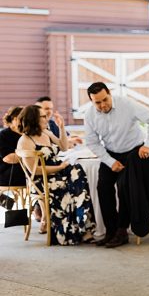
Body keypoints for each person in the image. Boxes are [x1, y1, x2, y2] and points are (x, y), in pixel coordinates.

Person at [84, 81, 149, 247]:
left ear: (110, 94)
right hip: (110, 153)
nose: (103, 104)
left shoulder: (126, 104)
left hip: (133, 151)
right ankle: (110, 231)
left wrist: (148, 144)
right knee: (103, 188)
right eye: (97, 102)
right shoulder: (89, 115)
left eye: (105, 99)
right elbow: (92, 142)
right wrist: (110, 162)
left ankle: (122, 231)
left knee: (123, 187)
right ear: (91, 101)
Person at [16, 103, 96, 244]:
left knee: (78, 173)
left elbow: (64, 147)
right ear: (34, 118)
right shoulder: (25, 141)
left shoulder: (46, 133)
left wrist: (61, 127)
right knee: (72, 184)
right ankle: (70, 232)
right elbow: (36, 171)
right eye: (43, 116)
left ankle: (83, 229)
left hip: (56, 173)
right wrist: (60, 167)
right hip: (41, 180)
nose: (47, 118)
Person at [0, 106, 25, 189]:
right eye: (21, 118)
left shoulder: (27, 134)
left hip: (24, 169)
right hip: (5, 173)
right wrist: (30, 156)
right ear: (13, 119)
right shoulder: (3, 135)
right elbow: (8, 158)